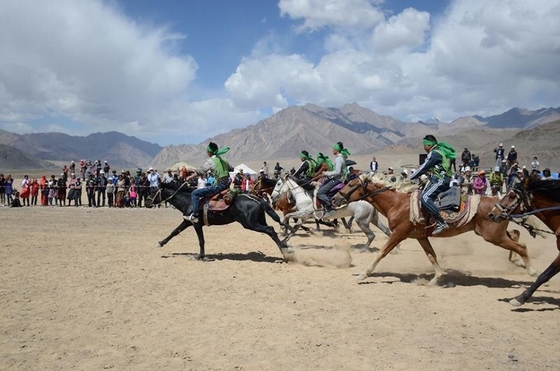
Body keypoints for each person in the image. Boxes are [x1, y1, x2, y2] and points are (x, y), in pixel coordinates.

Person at [408, 134, 456, 235]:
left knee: (424, 197)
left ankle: (440, 222)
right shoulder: (440, 151)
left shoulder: (434, 153)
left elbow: (423, 168)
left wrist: (409, 178)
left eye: (424, 145)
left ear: (428, 145)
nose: (424, 148)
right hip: (439, 179)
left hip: (440, 180)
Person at [184, 142, 233, 223]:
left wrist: (189, 177)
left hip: (219, 186)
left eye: (207, 151)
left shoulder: (210, 161)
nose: (207, 153)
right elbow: (232, 169)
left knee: (194, 193)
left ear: (210, 152)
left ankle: (195, 215)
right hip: (227, 185)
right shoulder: (224, 159)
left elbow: (201, 171)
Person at [318, 142, 350, 218]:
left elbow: (337, 172)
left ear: (336, 150)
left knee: (320, 193)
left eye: (333, 149)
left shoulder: (339, 159)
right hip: (337, 179)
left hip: (337, 180)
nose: (332, 150)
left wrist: (326, 173)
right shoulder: (341, 157)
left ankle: (330, 208)